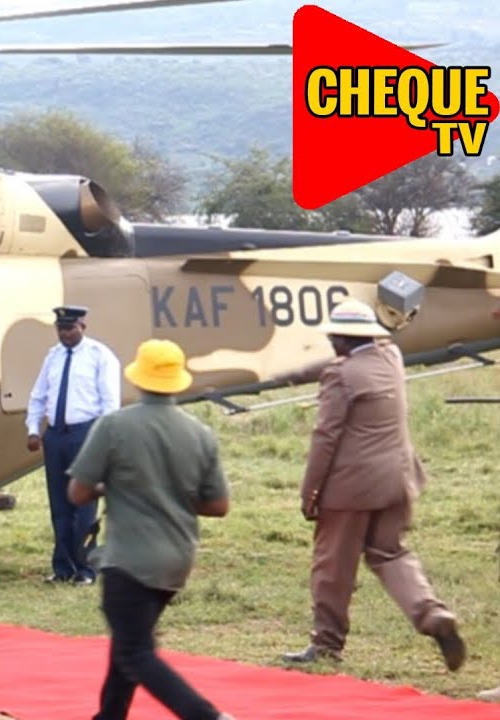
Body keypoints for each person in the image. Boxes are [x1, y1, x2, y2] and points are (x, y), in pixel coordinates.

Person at [281, 299, 465, 671]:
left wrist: (310, 492)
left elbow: (325, 437)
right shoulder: (390, 358)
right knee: (390, 553)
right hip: (398, 478)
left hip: (351, 486)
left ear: (346, 339)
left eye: (335, 336)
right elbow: (343, 365)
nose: (331, 341)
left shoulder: (341, 375)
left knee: (333, 564)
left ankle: (327, 644)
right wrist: (296, 373)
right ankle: (432, 614)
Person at [67, 338, 236, 720]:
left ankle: (207, 716)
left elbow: (77, 492)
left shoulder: (114, 425)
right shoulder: (199, 433)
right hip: (176, 560)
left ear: (139, 379)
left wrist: (114, 485)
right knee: (127, 645)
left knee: (134, 652)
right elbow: (218, 505)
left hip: (130, 559)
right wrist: (169, 490)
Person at [25, 305, 120, 584]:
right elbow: (38, 396)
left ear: (83, 327)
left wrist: (103, 442)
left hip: (85, 434)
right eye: (61, 329)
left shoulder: (99, 356)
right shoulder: (52, 357)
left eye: (70, 328)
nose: (65, 334)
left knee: (84, 505)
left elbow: (109, 404)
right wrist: (33, 429)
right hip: (56, 436)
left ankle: (86, 568)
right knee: (60, 505)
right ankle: (63, 567)